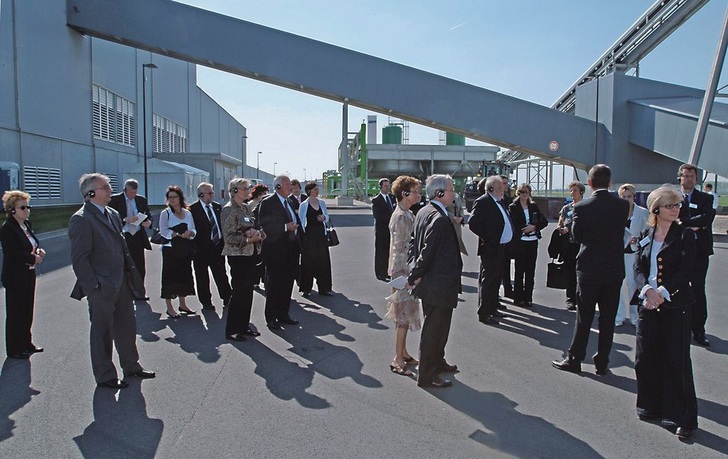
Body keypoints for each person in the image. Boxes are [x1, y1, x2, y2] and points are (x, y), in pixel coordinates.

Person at [68, 173, 155, 389]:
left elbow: (121, 247)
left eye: (108, 187)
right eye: (105, 188)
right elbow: (80, 259)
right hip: (101, 287)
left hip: (121, 283)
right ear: (90, 194)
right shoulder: (81, 219)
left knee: (126, 326)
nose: (110, 191)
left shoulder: (113, 214)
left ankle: (131, 366)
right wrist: (93, 287)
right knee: (102, 331)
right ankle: (106, 375)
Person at [633, 185, 698, 440]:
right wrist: (647, 291)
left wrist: (662, 292)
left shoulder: (684, 236)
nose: (676, 209)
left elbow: (687, 270)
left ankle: (683, 418)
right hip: (647, 304)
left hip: (675, 305)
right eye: (670, 205)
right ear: (656, 208)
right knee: (645, 357)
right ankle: (650, 405)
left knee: (677, 361)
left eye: (678, 205)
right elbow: (638, 268)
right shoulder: (646, 232)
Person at [552, 164, 629, 376]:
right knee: (607, 318)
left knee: (584, 317)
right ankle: (602, 360)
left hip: (589, 269)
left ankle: (575, 358)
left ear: (590, 183)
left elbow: (576, 236)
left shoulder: (582, 207)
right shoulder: (622, 206)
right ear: (610, 182)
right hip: (613, 269)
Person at [408, 174, 463, 388]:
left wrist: (415, 269)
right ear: (439, 193)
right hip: (438, 284)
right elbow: (426, 251)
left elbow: (414, 245)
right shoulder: (438, 218)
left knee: (441, 327)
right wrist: (414, 274)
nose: (454, 194)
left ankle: (438, 362)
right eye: (451, 190)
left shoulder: (424, 211)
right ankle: (428, 375)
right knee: (434, 329)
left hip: (435, 283)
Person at [385, 176, 422, 377]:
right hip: (402, 270)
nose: (419, 194)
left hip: (400, 269)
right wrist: (409, 273)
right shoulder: (401, 216)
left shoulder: (406, 213)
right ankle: (397, 358)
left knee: (404, 313)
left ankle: (404, 352)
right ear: (405, 193)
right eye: (416, 191)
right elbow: (400, 248)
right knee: (402, 314)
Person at [221, 177, 266, 341]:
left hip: (250, 254)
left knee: (247, 293)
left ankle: (243, 325)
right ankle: (232, 329)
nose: (248, 191)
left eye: (248, 188)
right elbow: (229, 236)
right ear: (234, 192)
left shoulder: (246, 208)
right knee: (239, 293)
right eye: (244, 189)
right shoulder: (228, 209)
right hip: (237, 256)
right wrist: (247, 239)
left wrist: (257, 233)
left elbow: (252, 226)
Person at [2, 190, 45, 359]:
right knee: (15, 312)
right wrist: (33, 258)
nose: (26, 210)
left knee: (27, 310)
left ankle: (27, 343)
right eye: (22, 207)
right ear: (12, 210)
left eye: (28, 207)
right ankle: (14, 348)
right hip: (15, 277)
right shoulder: (7, 229)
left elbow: (32, 244)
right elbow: (13, 253)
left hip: (29, 274)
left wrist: (39, 252)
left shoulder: (26, 225)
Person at [677, 163, 715, 347]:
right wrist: (692, 224)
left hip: (700, 251)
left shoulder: (705, 199)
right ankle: (680, 326)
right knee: (678, 287)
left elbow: (707, 218)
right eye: (685, 176)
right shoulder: (674, 198)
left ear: (696, 179)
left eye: (691, 176)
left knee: (698, 289)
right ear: (680, 178)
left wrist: (684, 223)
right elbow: (675, 221)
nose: (688, 179)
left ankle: (699, 330)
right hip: (679, 251)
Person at [469, 175, 515, 325]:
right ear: (490, 189)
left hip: (502, 248)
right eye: (500, 188)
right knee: (488, 280)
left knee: (496, 280)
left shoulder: (499, 202)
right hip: (491, 249)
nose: (503, 191)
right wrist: (490, 238)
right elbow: (474, 223)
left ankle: (493, 307)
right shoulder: (483, 202)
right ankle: (484, 312)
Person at [258, 175, 302, 330]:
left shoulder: (290, 201)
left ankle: (284, 314)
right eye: (287, 184)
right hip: (275, 250)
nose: (291, 187)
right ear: (278, 187)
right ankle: (271, 317)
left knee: (287, 283)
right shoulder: (268, 203)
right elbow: (265, 225)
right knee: (275, 284)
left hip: (290, 250)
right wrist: (285, 227)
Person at [190, 182, 231, 311]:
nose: (212, 195)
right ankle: (206, 302)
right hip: (201, 250)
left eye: (212, 192)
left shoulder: (217, 207)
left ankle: (227, 298)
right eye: (209, 193)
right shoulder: (193, 209)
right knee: (202, 277)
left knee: (221, 274)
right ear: (201, 194)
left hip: (217, 247)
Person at [108, 179, 152, 300]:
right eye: (131, 192)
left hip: (137, 235)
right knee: (124, 265)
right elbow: (109, 218)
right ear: (125, 190)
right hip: (123, 235)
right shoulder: (115, 200)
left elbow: (148, 215)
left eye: (135, 192)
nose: (133, 195)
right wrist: (124, 220)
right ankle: (125, 293)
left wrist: (148, 222)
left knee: (139, 266)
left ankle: (140, 291)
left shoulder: (141, 200)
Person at [159, 186, 197, 318]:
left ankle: (183, 304)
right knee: (170, 277)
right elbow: (163, 231)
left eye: (175, 197)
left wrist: (190, 233)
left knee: (184, 275)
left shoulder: (187, 213)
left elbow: (193, 229)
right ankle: (169, 307)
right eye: (170, 198)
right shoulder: (166, 213)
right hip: (170, 249)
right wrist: (175, 234)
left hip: (185, 248)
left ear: (180, 197)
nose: (173, 200)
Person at [508, 183, 548, 308]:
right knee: (519, 270)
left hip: (532, 241)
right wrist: (523, 229)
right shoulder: (513, 207)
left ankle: (528, 298)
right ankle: (518, 297)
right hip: (521, 241)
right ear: (518, 193)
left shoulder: (533, 206)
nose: (524, 194)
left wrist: (534, 227)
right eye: (522, 192)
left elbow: (544, 221)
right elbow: (513, 223)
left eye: (526, 192)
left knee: (530, 271)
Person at [616, 183, 649, 326]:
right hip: (617, 253)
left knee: (633, 285)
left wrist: (638, 240)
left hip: (634, 253)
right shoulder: (615, 212)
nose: (626, 199)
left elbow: (649, 235)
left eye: (629, 196)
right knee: (618, 286)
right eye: (623, 196)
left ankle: (635, 316)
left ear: (634, 197)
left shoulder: (642, 212)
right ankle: (619, 316)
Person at [298, 181, 333, 297]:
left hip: (320, 235)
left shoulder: (321, 203)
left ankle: (324, 288)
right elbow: (301, 221)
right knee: (308, 262)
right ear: (309, 191)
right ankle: (306, 288)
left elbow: (327, 217)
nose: (317, 191)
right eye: (315, 190)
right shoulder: (304, 204)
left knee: (323, 262)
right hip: (309, 236)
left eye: (317, 189)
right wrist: (301, 238)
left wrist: (324, 217)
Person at [556, 181, 585, 311]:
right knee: (570, 272)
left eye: (575, 190)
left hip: (583, 244)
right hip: (569, 244)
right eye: (571, 190)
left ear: (581, 192)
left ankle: (583, 299)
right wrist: (561, 229)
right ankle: (570, 299)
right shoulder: (566, 208)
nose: (572, 193)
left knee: (584, 273)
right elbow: (560, 223)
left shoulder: (586, 207)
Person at [372, 178, 395, 281]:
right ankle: (379, 273)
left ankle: (386, 271)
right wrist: (391, 219)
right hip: (381, 230)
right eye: (385, 186)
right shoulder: (376, 200)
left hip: (390, 230)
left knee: (388, 252)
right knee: (380, 252)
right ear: (380, 187)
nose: (387, 188)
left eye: (388, 185)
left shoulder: (392, 198)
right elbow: (378, 216)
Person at [248, 183, 270, 289]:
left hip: (263, 234)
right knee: (257, 258)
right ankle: (255, 280)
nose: (267, 195)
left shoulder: (264, 203)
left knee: (263, 258)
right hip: (256, 234)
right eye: (265, 193)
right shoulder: (253, 204)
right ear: (259, 194)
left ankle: (262, 279)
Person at [500, 175, 514, 301]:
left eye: (507, 183)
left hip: (507, 241)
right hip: (496, 242)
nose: (506, 185)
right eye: (504, 183)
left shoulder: (508, 199)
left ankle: (508, 290)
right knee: (495, 270)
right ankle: (494, 297)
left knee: (506, 265)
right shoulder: (494, 200)